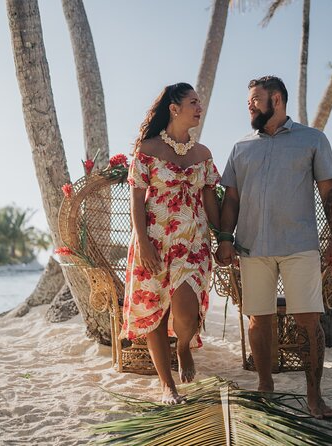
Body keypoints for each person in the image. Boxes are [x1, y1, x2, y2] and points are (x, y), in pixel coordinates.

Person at [216, 76, 332, 419]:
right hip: (252, 245)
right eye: (248, 101)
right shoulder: (241, 147)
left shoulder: (312, 139)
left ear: (276, 98)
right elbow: (231, 198)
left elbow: (330, 193)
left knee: (308, 319)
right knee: (259, 319)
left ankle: (314, 396)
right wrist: (225, 238)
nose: (249, 105)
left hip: (299, 244)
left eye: (255, 99)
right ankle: (264, 385)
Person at [120, 82, 221, 404]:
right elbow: (136, 202)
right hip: (154, 243)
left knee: (187, 314)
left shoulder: (203, 154)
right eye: (193, 102)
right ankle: (168, 385)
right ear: (174, 109)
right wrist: (144, 244)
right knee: (156, 313)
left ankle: (183, 348)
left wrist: (227, 237)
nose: (199, 106)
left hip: (193, 244)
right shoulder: (147, 150)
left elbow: (211, 202)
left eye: (200, 101)